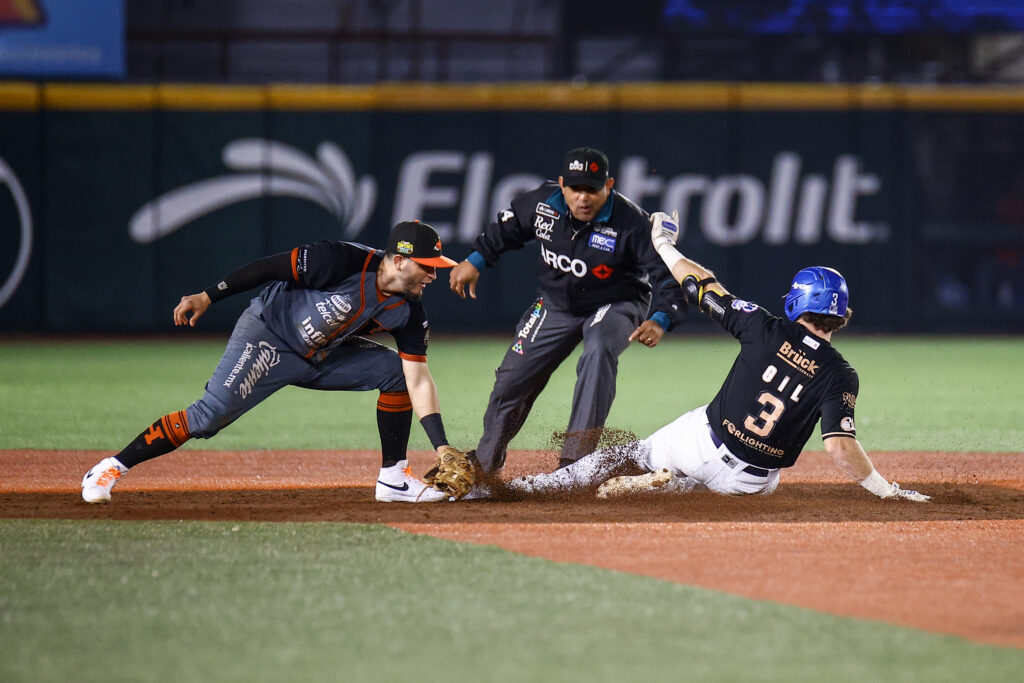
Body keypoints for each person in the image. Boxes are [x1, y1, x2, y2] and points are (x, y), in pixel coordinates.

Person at [502, 212, 930, 503]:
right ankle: (666, 488)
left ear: (798, 304)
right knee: (713, 490)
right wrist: (884, 490)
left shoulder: (763, 328)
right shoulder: (841, 374)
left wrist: (664, 245)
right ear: (841, 315)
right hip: (753, 484)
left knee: (635, 452)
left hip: (703, 443)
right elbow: (839, 447)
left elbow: (701, 287)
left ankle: (533, 487)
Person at [81, 221, 461, 504]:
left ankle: (393, 478)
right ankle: (111, 466)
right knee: (208, 417)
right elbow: (266, 268)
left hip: (323, 356)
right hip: (268, 336)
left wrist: (441, 446)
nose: (433, 274)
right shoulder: (341, 260)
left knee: (396, 373)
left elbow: (419, 380)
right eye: (427, 266)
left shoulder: (409, 312)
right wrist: (209, 296)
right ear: (399, 261)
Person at [449, 147, 686, 472]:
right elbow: (508, 227)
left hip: (615, 303)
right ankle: (485, 468)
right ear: (562, 185)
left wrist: (660, 318)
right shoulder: (542, 205)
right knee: (511, 381)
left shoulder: (632, 223)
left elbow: (669, 275)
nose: (583, 197)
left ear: (609, 185)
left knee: (599, 349)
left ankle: (575, 464)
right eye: (576, 188)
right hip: (557, 305)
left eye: (593, 188)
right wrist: (475, 259)